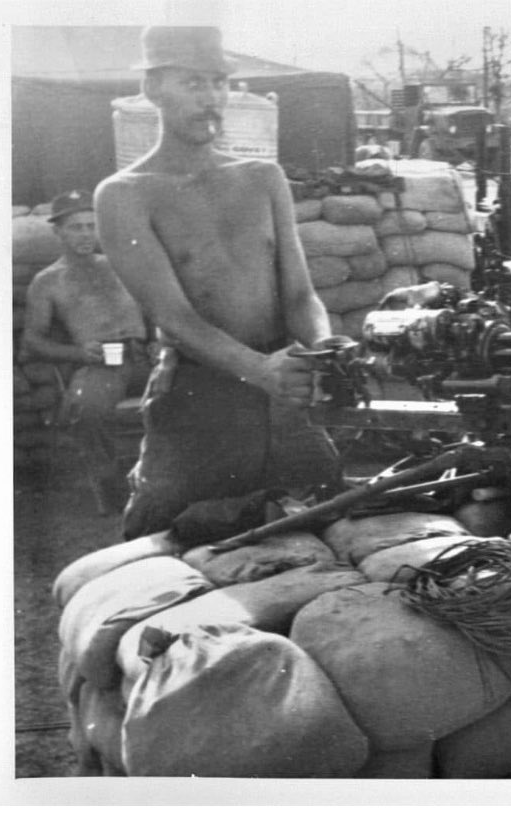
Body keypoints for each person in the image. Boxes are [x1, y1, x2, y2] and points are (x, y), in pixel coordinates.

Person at [94, 26, 344, 539]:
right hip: (196, 401)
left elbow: (299, 295)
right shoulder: (124, 196)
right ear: (152, 89)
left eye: (219, 83)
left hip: (284, 395)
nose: (211, 100)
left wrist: (324, 348)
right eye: (193, 84)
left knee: (327, 523)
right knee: (165, 545)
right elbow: (175, 318)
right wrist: (261, 370)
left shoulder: (263, 178)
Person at [21, 189, 155, 514]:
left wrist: (156, 338)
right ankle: (112, 489)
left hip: (146, 356)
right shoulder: (48, 281)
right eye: (75, 227)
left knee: (195, 390)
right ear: (57, 231)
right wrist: (80, 353)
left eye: (90, 226)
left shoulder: (119, 265)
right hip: (103, 363)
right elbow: (32, 342)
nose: (85, 234)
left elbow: (155, 309)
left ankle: (177, 480)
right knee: (87, 410)